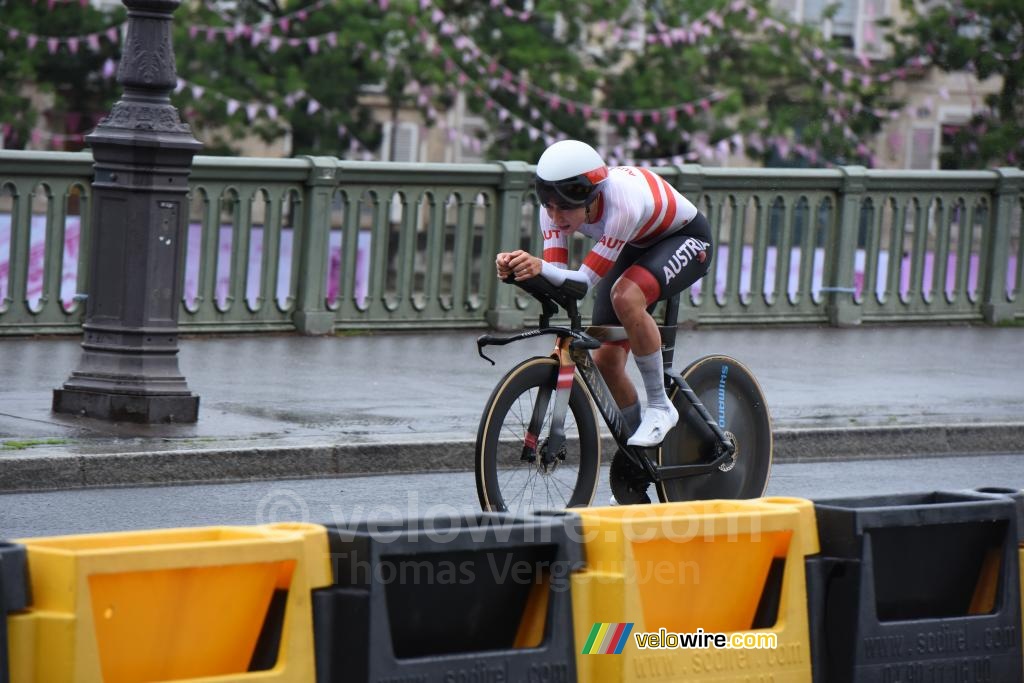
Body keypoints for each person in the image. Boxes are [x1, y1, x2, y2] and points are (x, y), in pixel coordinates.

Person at [496, 139, 713, 450]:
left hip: (686, 238)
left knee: (626, 296)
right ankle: (641, 458)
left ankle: (660, 405)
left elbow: (582, 282)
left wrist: (540, 267)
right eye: (549, 205)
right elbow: (561, 285)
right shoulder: (553, 212)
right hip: (635, 245)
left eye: (566, 207)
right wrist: (518, 272)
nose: (556, 218)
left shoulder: (621, 203)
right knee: (607, 362)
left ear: (592, 196)